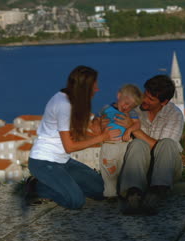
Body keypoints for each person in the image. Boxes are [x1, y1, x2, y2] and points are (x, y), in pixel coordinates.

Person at [26, 65, 120, 209]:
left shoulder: (73, 100)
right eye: (94, 85)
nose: (97, 89)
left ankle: (66, 186)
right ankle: (36, 186)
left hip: (63, 161)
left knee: (103, 191)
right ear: (85, 88)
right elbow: (69, 147)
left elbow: (83, 129)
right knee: (76, 201)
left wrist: (98, 123)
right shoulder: (64, 105)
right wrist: (102, 137)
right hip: (44, 162)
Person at [115, 74, 184, 215]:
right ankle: (132, 194)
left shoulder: (174, 115)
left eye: (151, 99)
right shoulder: (135, 108)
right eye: (145, 94)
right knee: (138, 144)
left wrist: (135, 129)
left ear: (164, 102)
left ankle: (156, 194)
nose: (144, 100)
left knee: (167, 143)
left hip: (167, 169)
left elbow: (163, 149)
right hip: (138, 167)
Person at [98, 84, 142, 198]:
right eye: (126, 103)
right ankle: (110, 194)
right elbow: (95, 123)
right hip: (108, 144)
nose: (126, 107)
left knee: (124, 169)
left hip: (124, 144)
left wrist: (128, 131)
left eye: (131, 106)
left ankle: (125, 192)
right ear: (119, 96)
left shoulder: (131, 113)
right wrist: (100, 129)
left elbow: (137, 124)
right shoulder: (106, 109)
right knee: (108, 171)